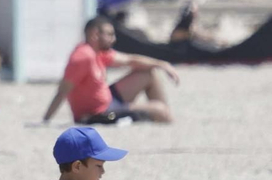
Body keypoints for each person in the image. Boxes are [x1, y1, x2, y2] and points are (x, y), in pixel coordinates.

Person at [43, 16, 180, 125]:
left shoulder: (98, 52)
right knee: (160, 109)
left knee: (147, 73)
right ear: (95, 34)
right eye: (109, 35)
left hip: (109, 99)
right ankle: (162, 115)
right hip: (99, 113)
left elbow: (130, 60)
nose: (113, 39)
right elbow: (63, 90)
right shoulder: (83, 57)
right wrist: (46, 120)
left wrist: (162, 64)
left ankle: (164, 117)